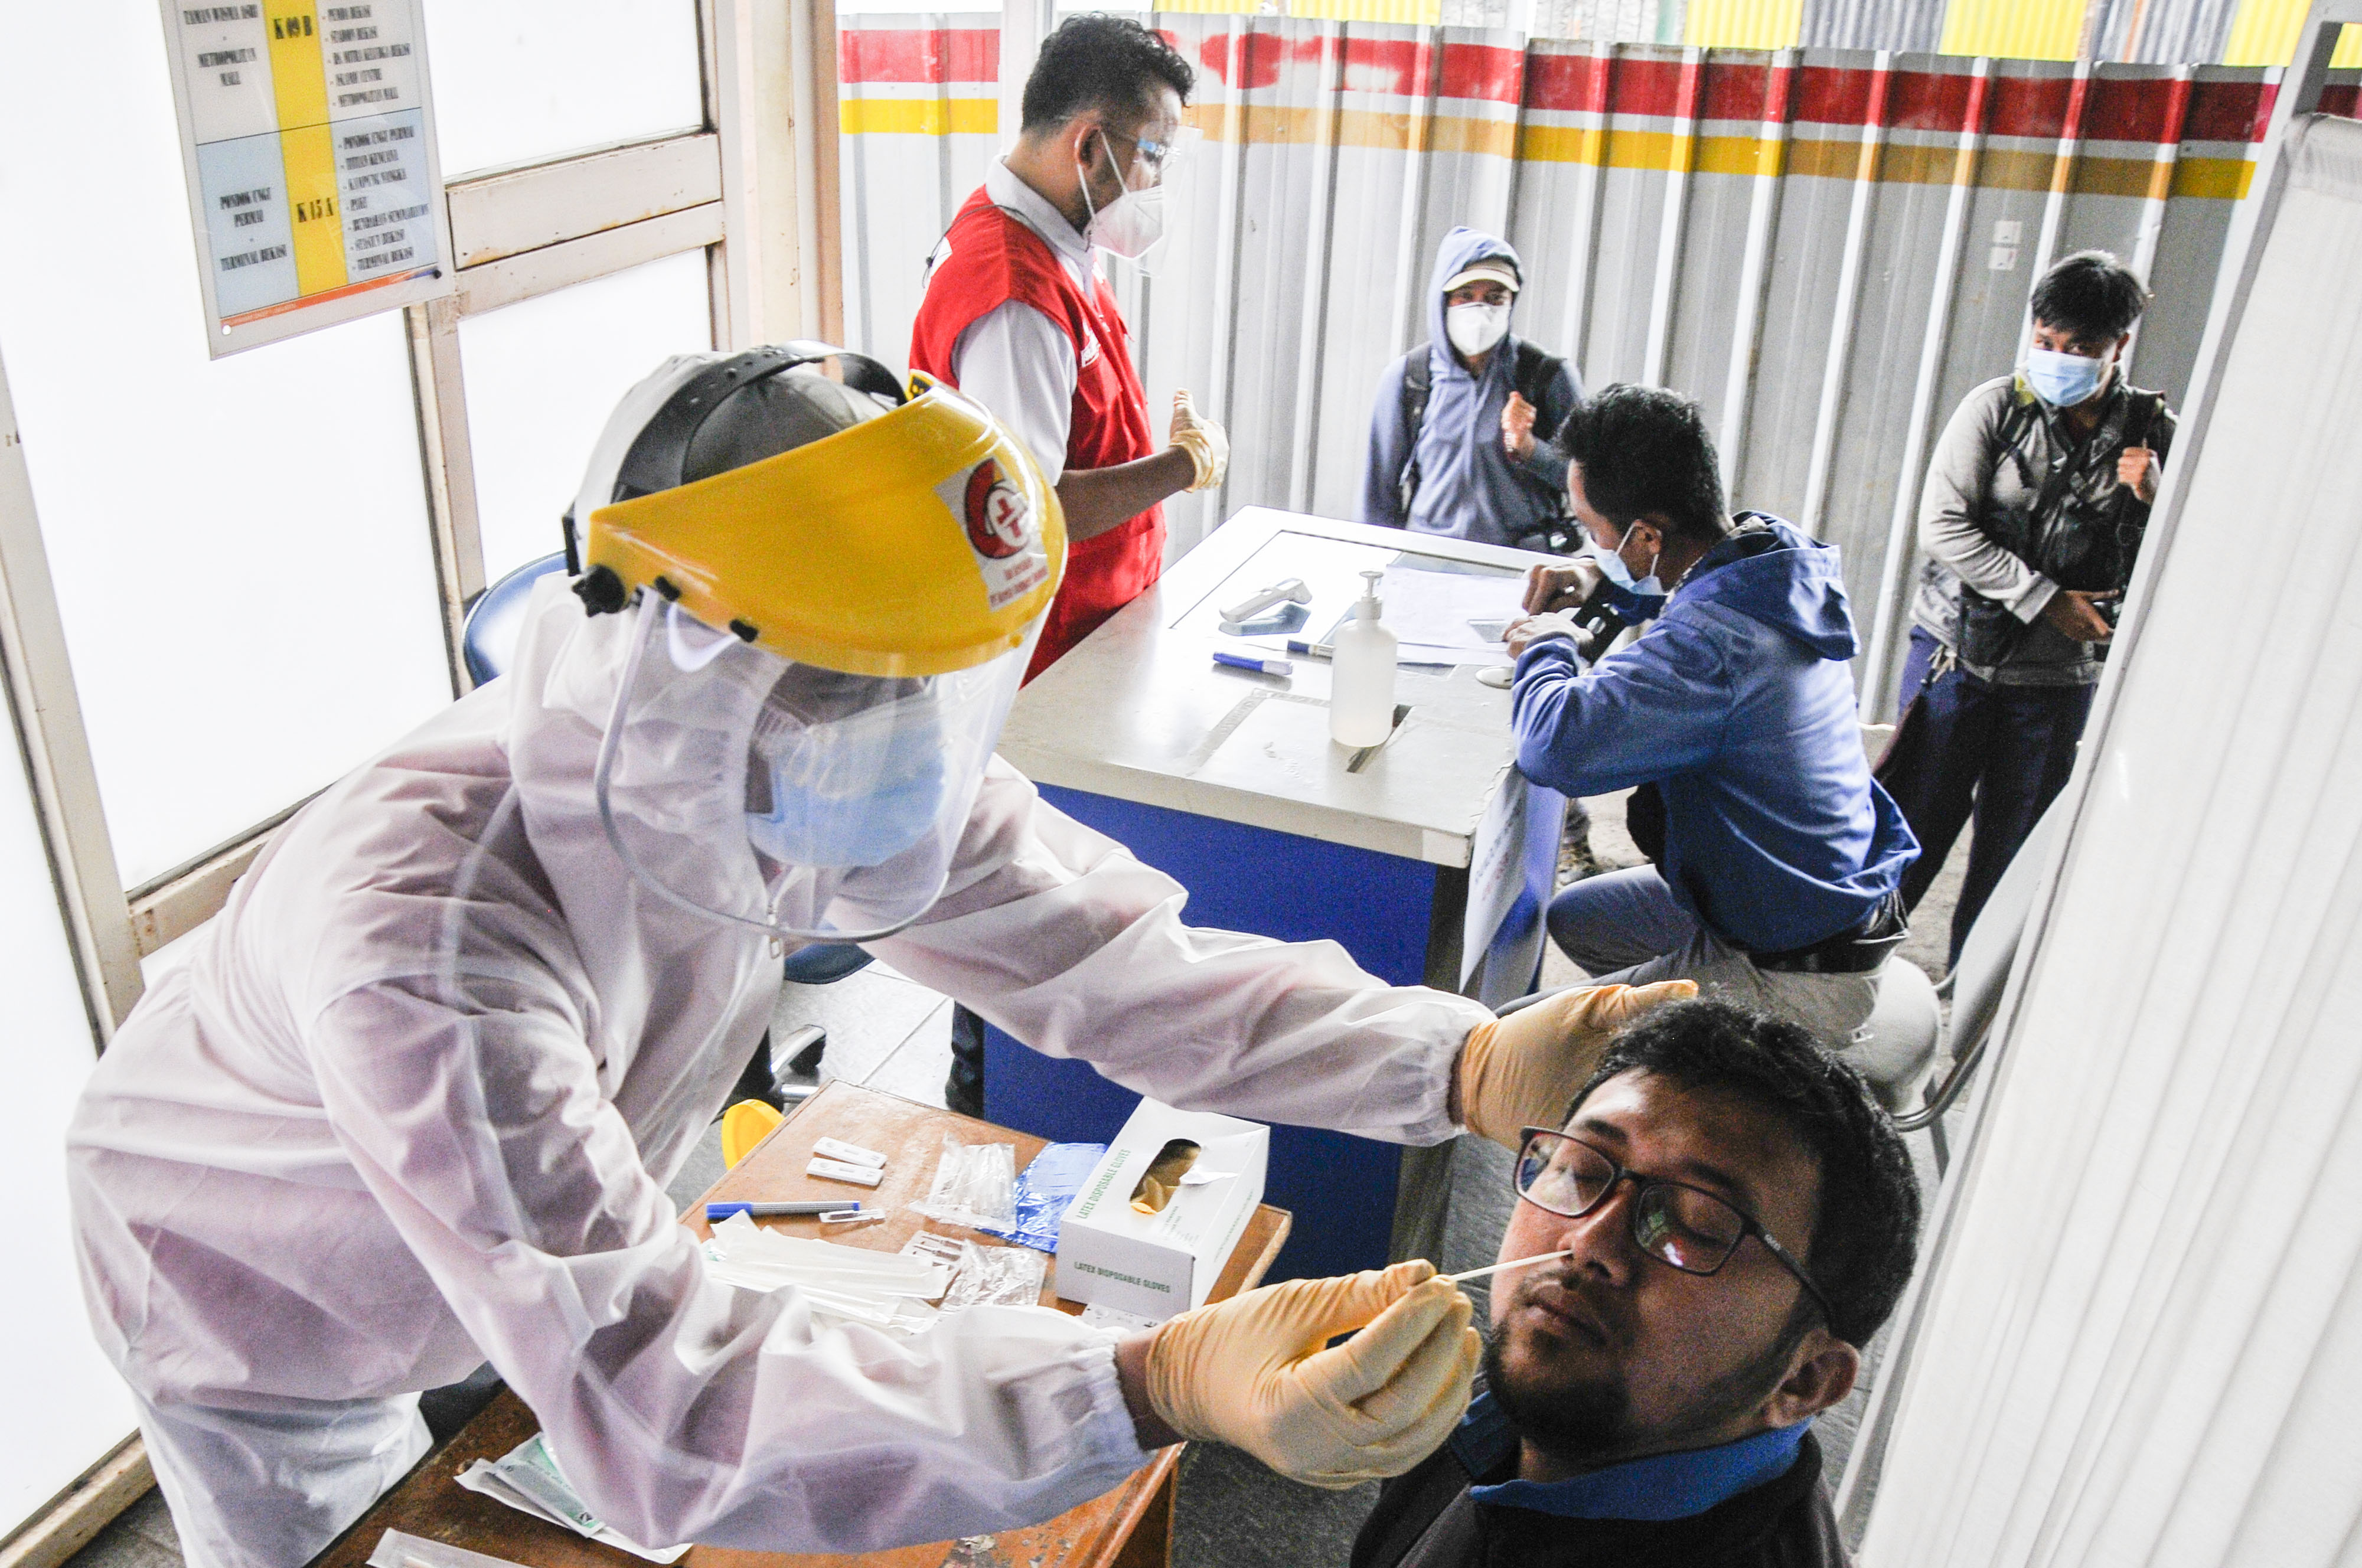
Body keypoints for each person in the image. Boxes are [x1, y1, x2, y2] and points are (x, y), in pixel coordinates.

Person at [66, 344, 1686, 1568]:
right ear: (672, 646)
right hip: (255, 1282)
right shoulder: (429, 936)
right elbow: (672, 1406)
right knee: (351, 1537)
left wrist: (1456, 1060)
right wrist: (1144, 1384)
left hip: (497, 1228)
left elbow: (1122, 964)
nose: (902, 745)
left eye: (930, 688)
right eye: (853, 687)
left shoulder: (756, 761)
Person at [1352, 999, 1921, 1567]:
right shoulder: (1514, 1395)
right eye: (1580, 1169)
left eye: (1700, 1224)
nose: (1589, 1242)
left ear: (1804, 1380)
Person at [1505, 386, 1920, 1048]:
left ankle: (1705, 1084)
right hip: (1821, 905)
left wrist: (1549, 639)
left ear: (1647, 537)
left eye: (1595, 531)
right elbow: (1691, 595)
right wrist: (1601, 579)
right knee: (1581, 918)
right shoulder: (1772, 557)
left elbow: (1556, 747)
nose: (1593, 541)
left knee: (1532, 1045)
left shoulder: (1715, 649)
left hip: (1798, 974)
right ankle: (1687, 1061)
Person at [908, 14, 1226, 686]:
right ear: (1087, 146)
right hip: (1048, 655)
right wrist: (1182, 465)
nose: (1154, 184)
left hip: (1098, 627)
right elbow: (1033, 507)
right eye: (1153, 155)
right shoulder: (1013, 295)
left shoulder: (1057, 239)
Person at [1880, 250, 2175, 969]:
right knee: (1906, 829)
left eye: (2081, 348)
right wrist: (2045, 600)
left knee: (2013, 852)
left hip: (2057, 683)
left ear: (2119, 347)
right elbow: (1943, 527)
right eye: (2046, 341)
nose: (2058, 359)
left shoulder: (2152, 431)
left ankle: (1972, 988)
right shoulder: (1993, 410)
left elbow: (2188, 562)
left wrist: (2156, 499)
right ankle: (1851, 968)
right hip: (1959, 659)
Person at [1360, 227, 1584, 551]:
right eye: (1465, 296)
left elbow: (1592, 489)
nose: (1480, 310)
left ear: (1512, 303)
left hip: (1522, 571)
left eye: (1495, 298)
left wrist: (1530, 450)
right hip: (1429, 566)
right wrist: (1373, 568)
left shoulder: (1548, 377)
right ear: (1443, 300)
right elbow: (1377, 495)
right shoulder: (1410, 379)